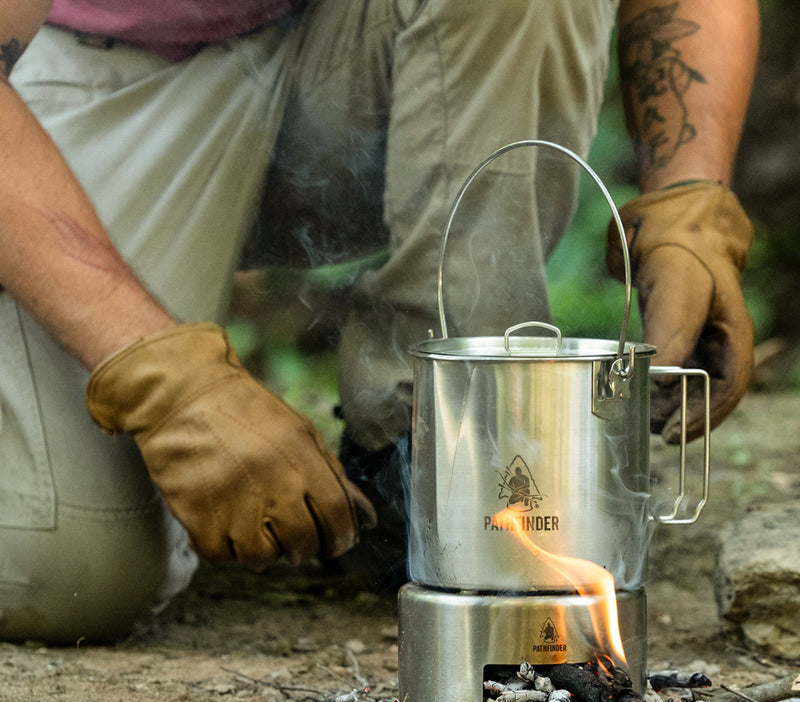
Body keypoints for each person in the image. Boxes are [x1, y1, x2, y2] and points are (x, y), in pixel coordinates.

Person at [0, 0, 759, 644]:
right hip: (99, 65)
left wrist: (689, 206)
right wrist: (159, 377)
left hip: (360, 59)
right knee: (65, 567)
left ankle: (432, 469)